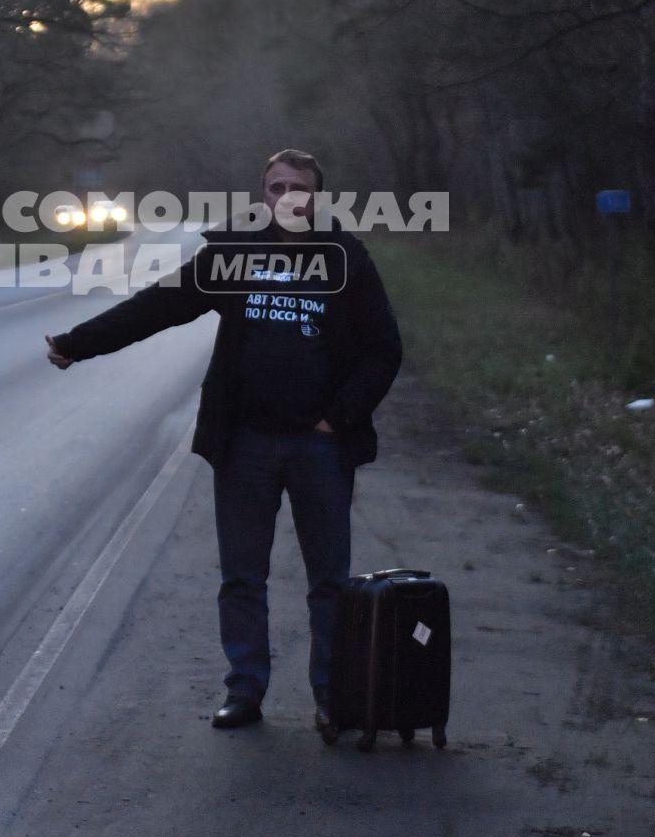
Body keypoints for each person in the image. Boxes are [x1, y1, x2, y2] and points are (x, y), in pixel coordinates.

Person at [43, 150, 403, 733]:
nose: (287, 194)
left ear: (316, 196)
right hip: (246, 444)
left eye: (299, 186)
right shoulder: (236, 254)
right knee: (242, 577)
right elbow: (159, 306)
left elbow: (383, 349)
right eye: (276, 185)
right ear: (264, 194)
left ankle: (332, 697)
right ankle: (245, 692)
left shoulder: (346, 258)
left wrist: (339, 417)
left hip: (321, 448)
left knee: (329, 582)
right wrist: (77, 342)